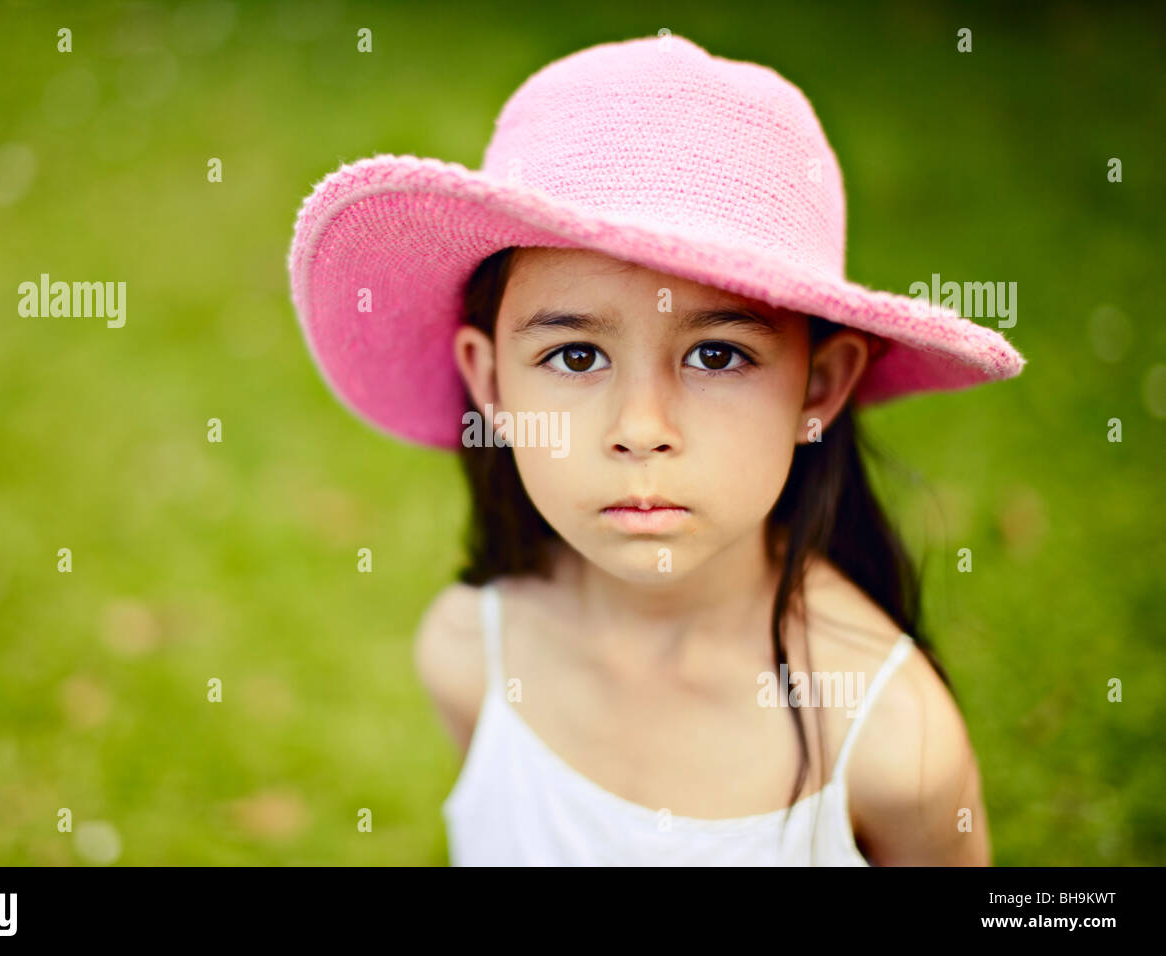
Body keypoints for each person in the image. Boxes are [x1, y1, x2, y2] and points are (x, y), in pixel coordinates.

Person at [287, 33, 1025, 865]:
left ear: (818, 387)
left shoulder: (892, 744)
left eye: (717, 355)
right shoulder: (472, 660)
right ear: (490, 385)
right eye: (575, 356)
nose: (641, 426)